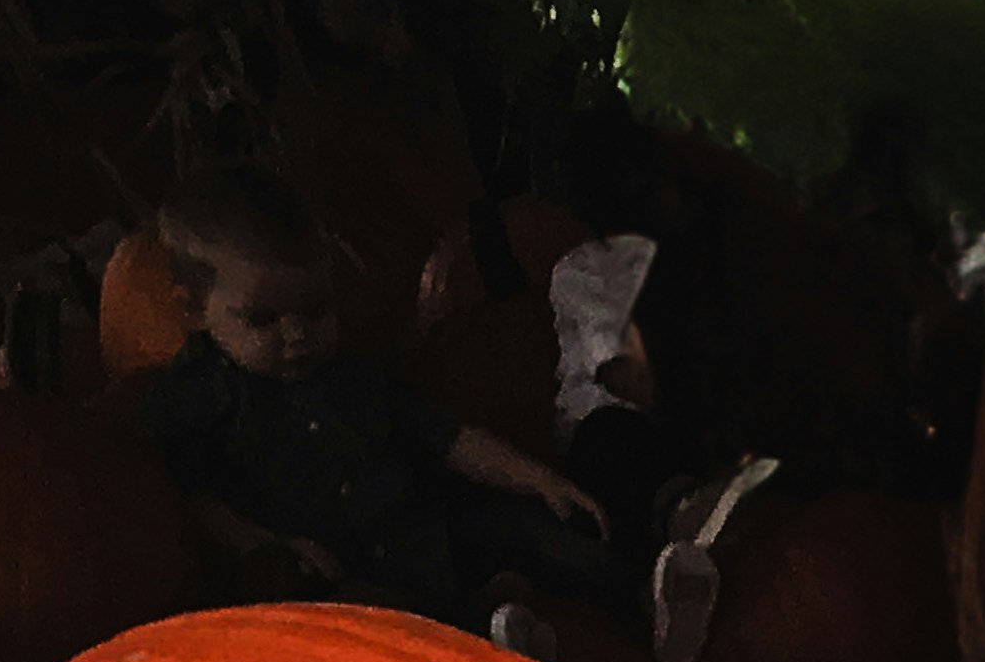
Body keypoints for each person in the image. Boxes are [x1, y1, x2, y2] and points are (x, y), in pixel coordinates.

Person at [119, 165, 617, 628]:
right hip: (325, 570)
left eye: (315, 312)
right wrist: (266, 546)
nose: (295, 335)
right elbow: (192, 499)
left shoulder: (355, 375)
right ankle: (484, 626)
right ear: (193, 311)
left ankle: (642, 589)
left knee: (546, 534)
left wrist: (533, 478)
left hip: (419, 533)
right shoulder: (199, 396)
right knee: (369, 615)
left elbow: (446, 437)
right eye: (263, 320)